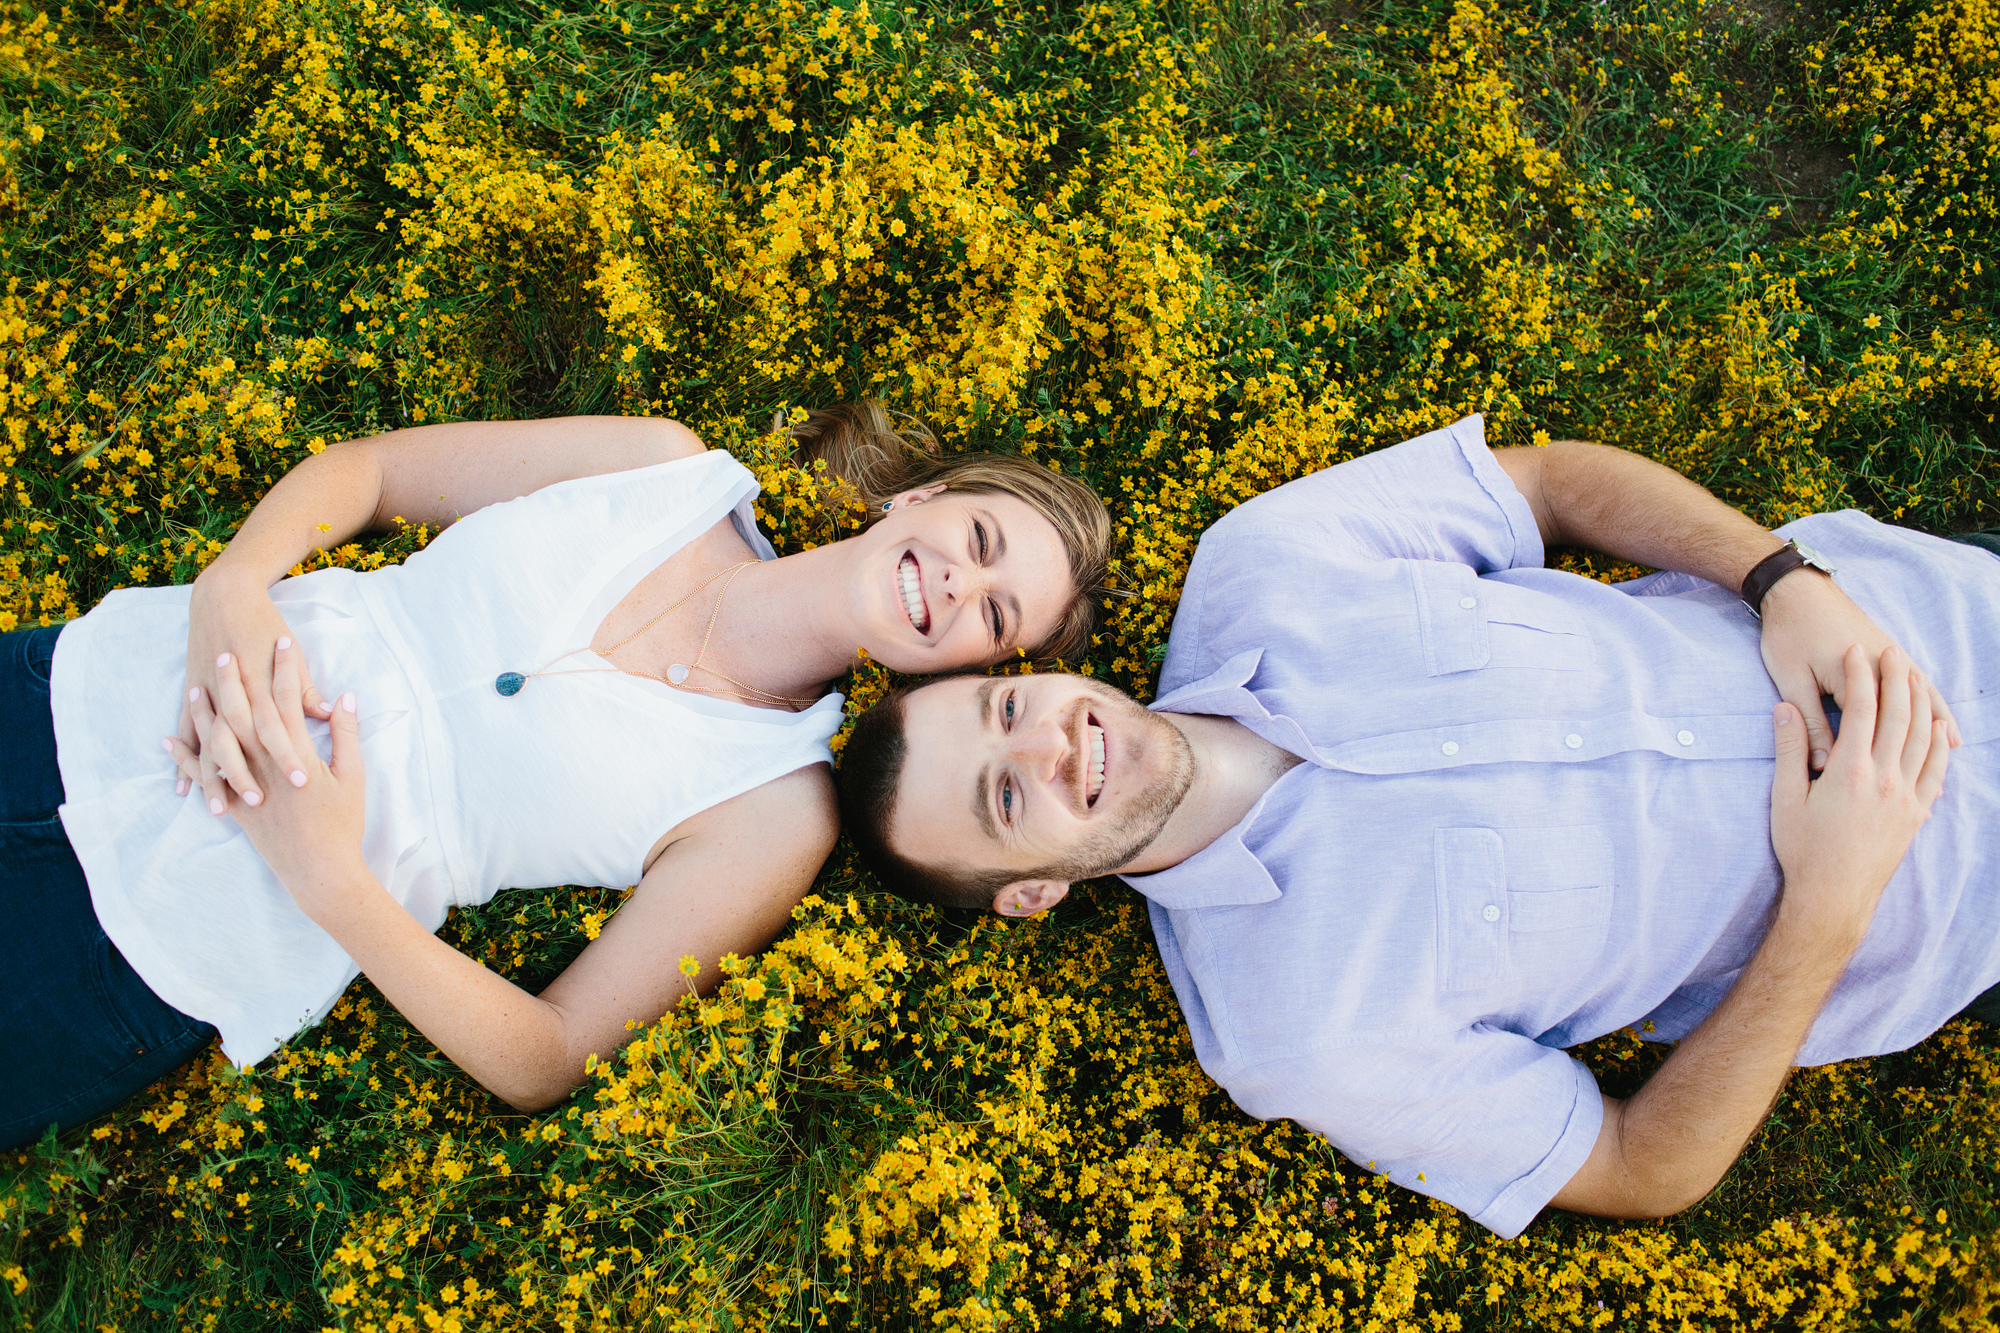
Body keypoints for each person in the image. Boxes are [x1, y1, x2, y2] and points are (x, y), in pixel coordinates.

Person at [836, 413, 2000, 1238]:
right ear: (1030, 890)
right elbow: (1641, 1167)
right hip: (1960, 906)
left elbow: (1546, 485)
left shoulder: (1262, 562)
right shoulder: (1293, 1032)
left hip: (1935, 614)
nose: (1045, 743)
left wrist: (1777, 581)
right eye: (1004, 797)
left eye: (1002, 706)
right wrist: (1826, 905)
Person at [1, 403, 1111, 1149]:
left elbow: (548, 1054)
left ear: (973, 666)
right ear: (916, 500)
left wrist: (329, 878)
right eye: (977, 535)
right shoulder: (665, 470)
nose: (959, 585)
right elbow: (377, 471)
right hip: (92, 691)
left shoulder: (775, 812)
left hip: (147, 953)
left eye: (996, 616)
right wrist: (234, 587)